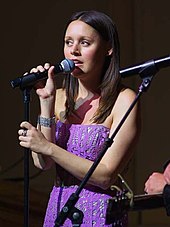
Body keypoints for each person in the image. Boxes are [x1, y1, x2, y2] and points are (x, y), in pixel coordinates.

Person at [18, 10, 140, 226]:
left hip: (99, 212)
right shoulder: (59, 96)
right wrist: (46, 103)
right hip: (59, 207)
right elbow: (43, 163)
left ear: (108, 48)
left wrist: (48, 147)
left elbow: (105, 176)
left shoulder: (124, 99)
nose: (73, 51)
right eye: (68, 42)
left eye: (84, 43)